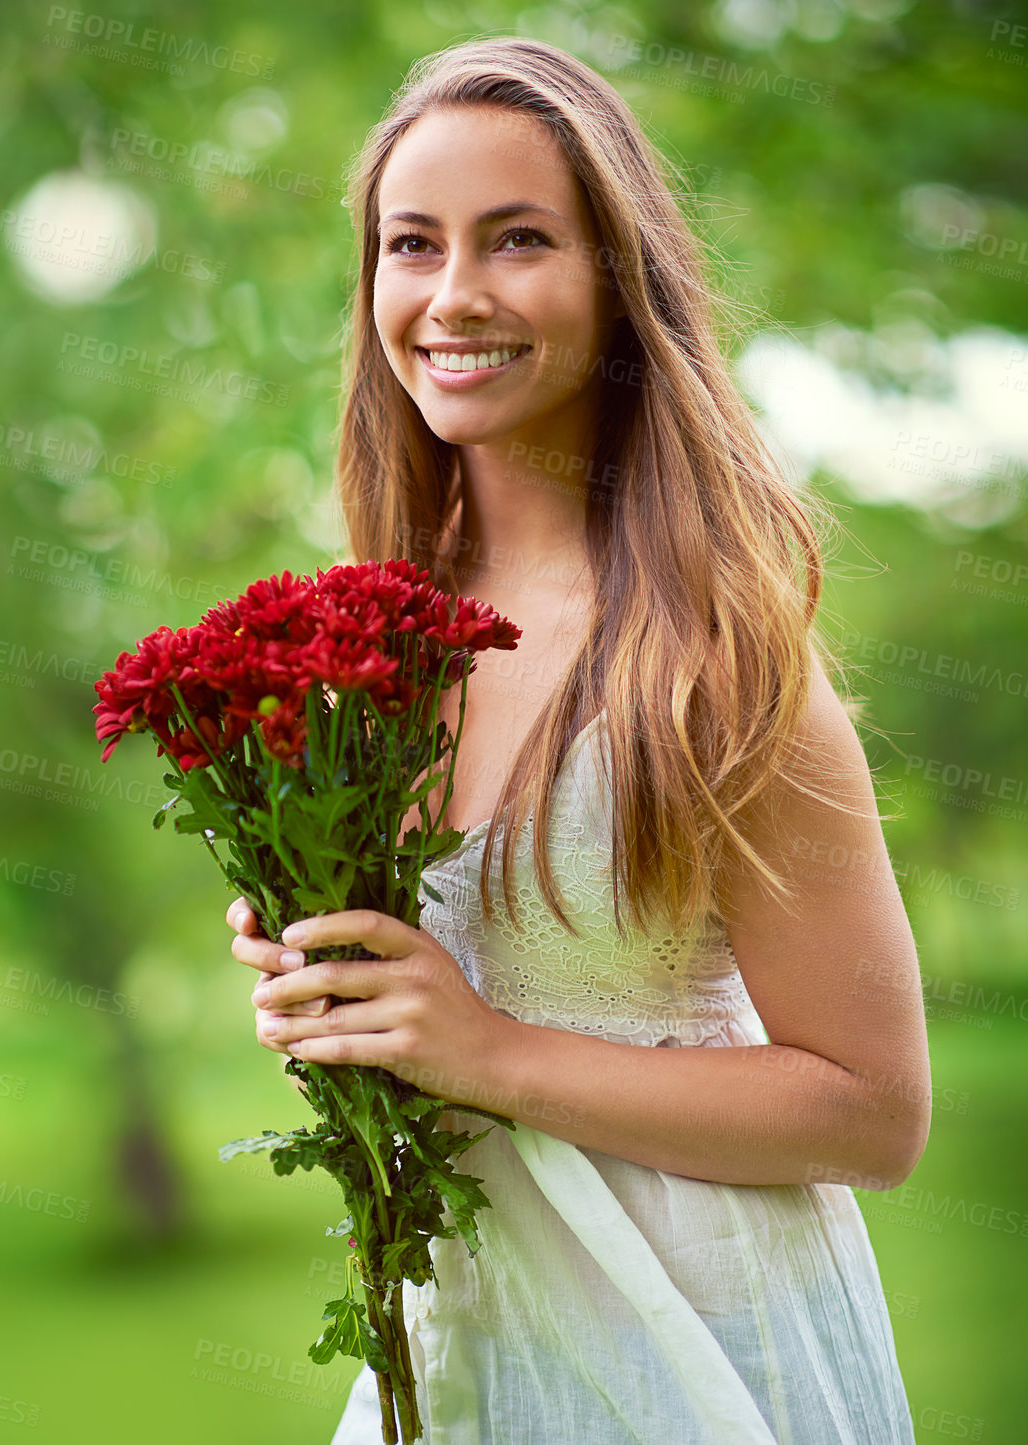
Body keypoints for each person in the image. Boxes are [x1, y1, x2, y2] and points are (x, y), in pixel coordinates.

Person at [228, 34, 929, 1445]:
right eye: (411, 243)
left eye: (519, 240)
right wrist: (332, 987)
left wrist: (481, 1047)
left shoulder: (717, 659)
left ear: (619, 280)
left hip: (702, 1355)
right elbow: (428, 1019)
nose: (453, 295)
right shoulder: (376, 651)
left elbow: (874, 1111)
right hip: (464, 1346)